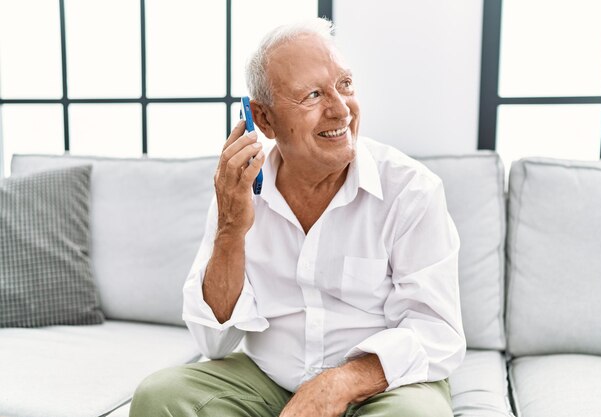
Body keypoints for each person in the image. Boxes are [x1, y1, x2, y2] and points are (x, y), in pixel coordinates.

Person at [130, 18, 465, 417]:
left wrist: (338, 383)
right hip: (269, 379)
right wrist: (231, 227)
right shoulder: (239, 190)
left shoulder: (411, 190)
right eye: (313, 95)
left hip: (379, 384)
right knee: (160, 397)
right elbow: (213, 341)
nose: (341, 111)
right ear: (263, 119)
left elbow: (437, 332)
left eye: (345, 85)